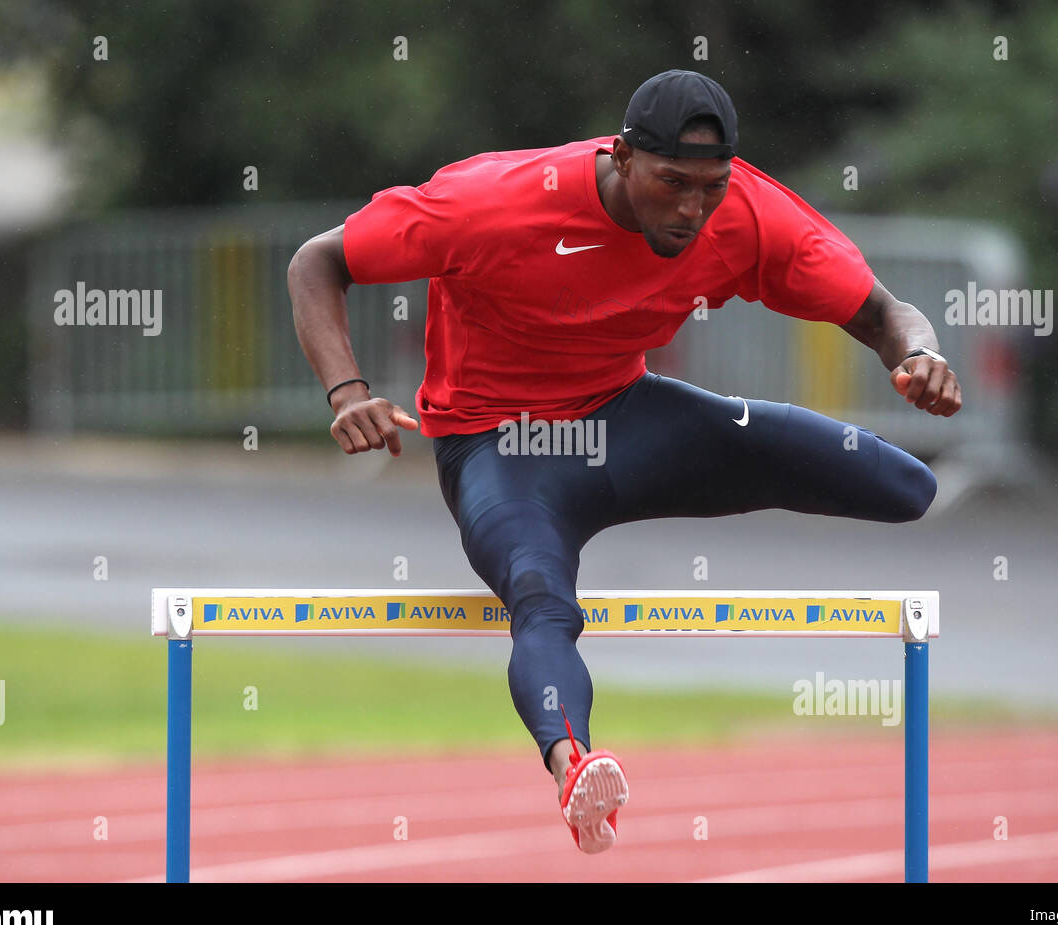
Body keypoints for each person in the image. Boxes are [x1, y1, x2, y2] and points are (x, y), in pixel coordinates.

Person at [289, 68, 961, 855]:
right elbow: (316, 261)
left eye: (709, 187)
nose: (691, 209)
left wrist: (920, 353)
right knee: (540, 597)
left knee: (903, 486)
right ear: (620, 158)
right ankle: (575, 765)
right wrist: (346, 392)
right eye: (672, 183)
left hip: (629, 422)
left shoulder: (745, 211)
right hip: (504, 447)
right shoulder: (493, 201)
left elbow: (884, 311)